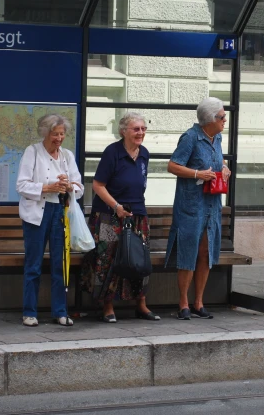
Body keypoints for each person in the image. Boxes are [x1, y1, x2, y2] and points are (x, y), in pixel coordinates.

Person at [80, 112, 160, 323]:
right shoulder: (112, 152)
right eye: (136, 129)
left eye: (143, 129)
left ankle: (141, 304)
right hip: (109, 215)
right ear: (123, 131)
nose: (141, 133)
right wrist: (116, 206)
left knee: (139, 259)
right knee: (108, 260)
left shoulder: (144, 153)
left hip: (137, 215)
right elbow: (98, 186)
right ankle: (107, 305)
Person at [165, 97, 232, 320]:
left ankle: (199, 302)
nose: (225, 120)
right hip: (191, 205)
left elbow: (218, 160)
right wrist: (197, 174)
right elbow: (172, 165)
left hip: (212, 203)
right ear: (210, 119)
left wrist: (224, 168)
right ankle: (183, 302)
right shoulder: (191, 137)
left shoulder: (217, 137)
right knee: (189, 252)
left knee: (205, 251)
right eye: (222, 117)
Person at [16, 114, 83, 327]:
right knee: (33, 264)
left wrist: (69, 186)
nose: (59, 138)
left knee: (60, 264)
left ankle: (60, 312)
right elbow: (22, 185)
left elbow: (79, 187)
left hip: (60, 212)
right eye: (55, 134)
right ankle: (29, 312)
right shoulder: (32, 152)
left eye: (62, 134)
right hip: (37, 214)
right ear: (45, 133)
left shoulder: (67, 156)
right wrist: (47, 187)